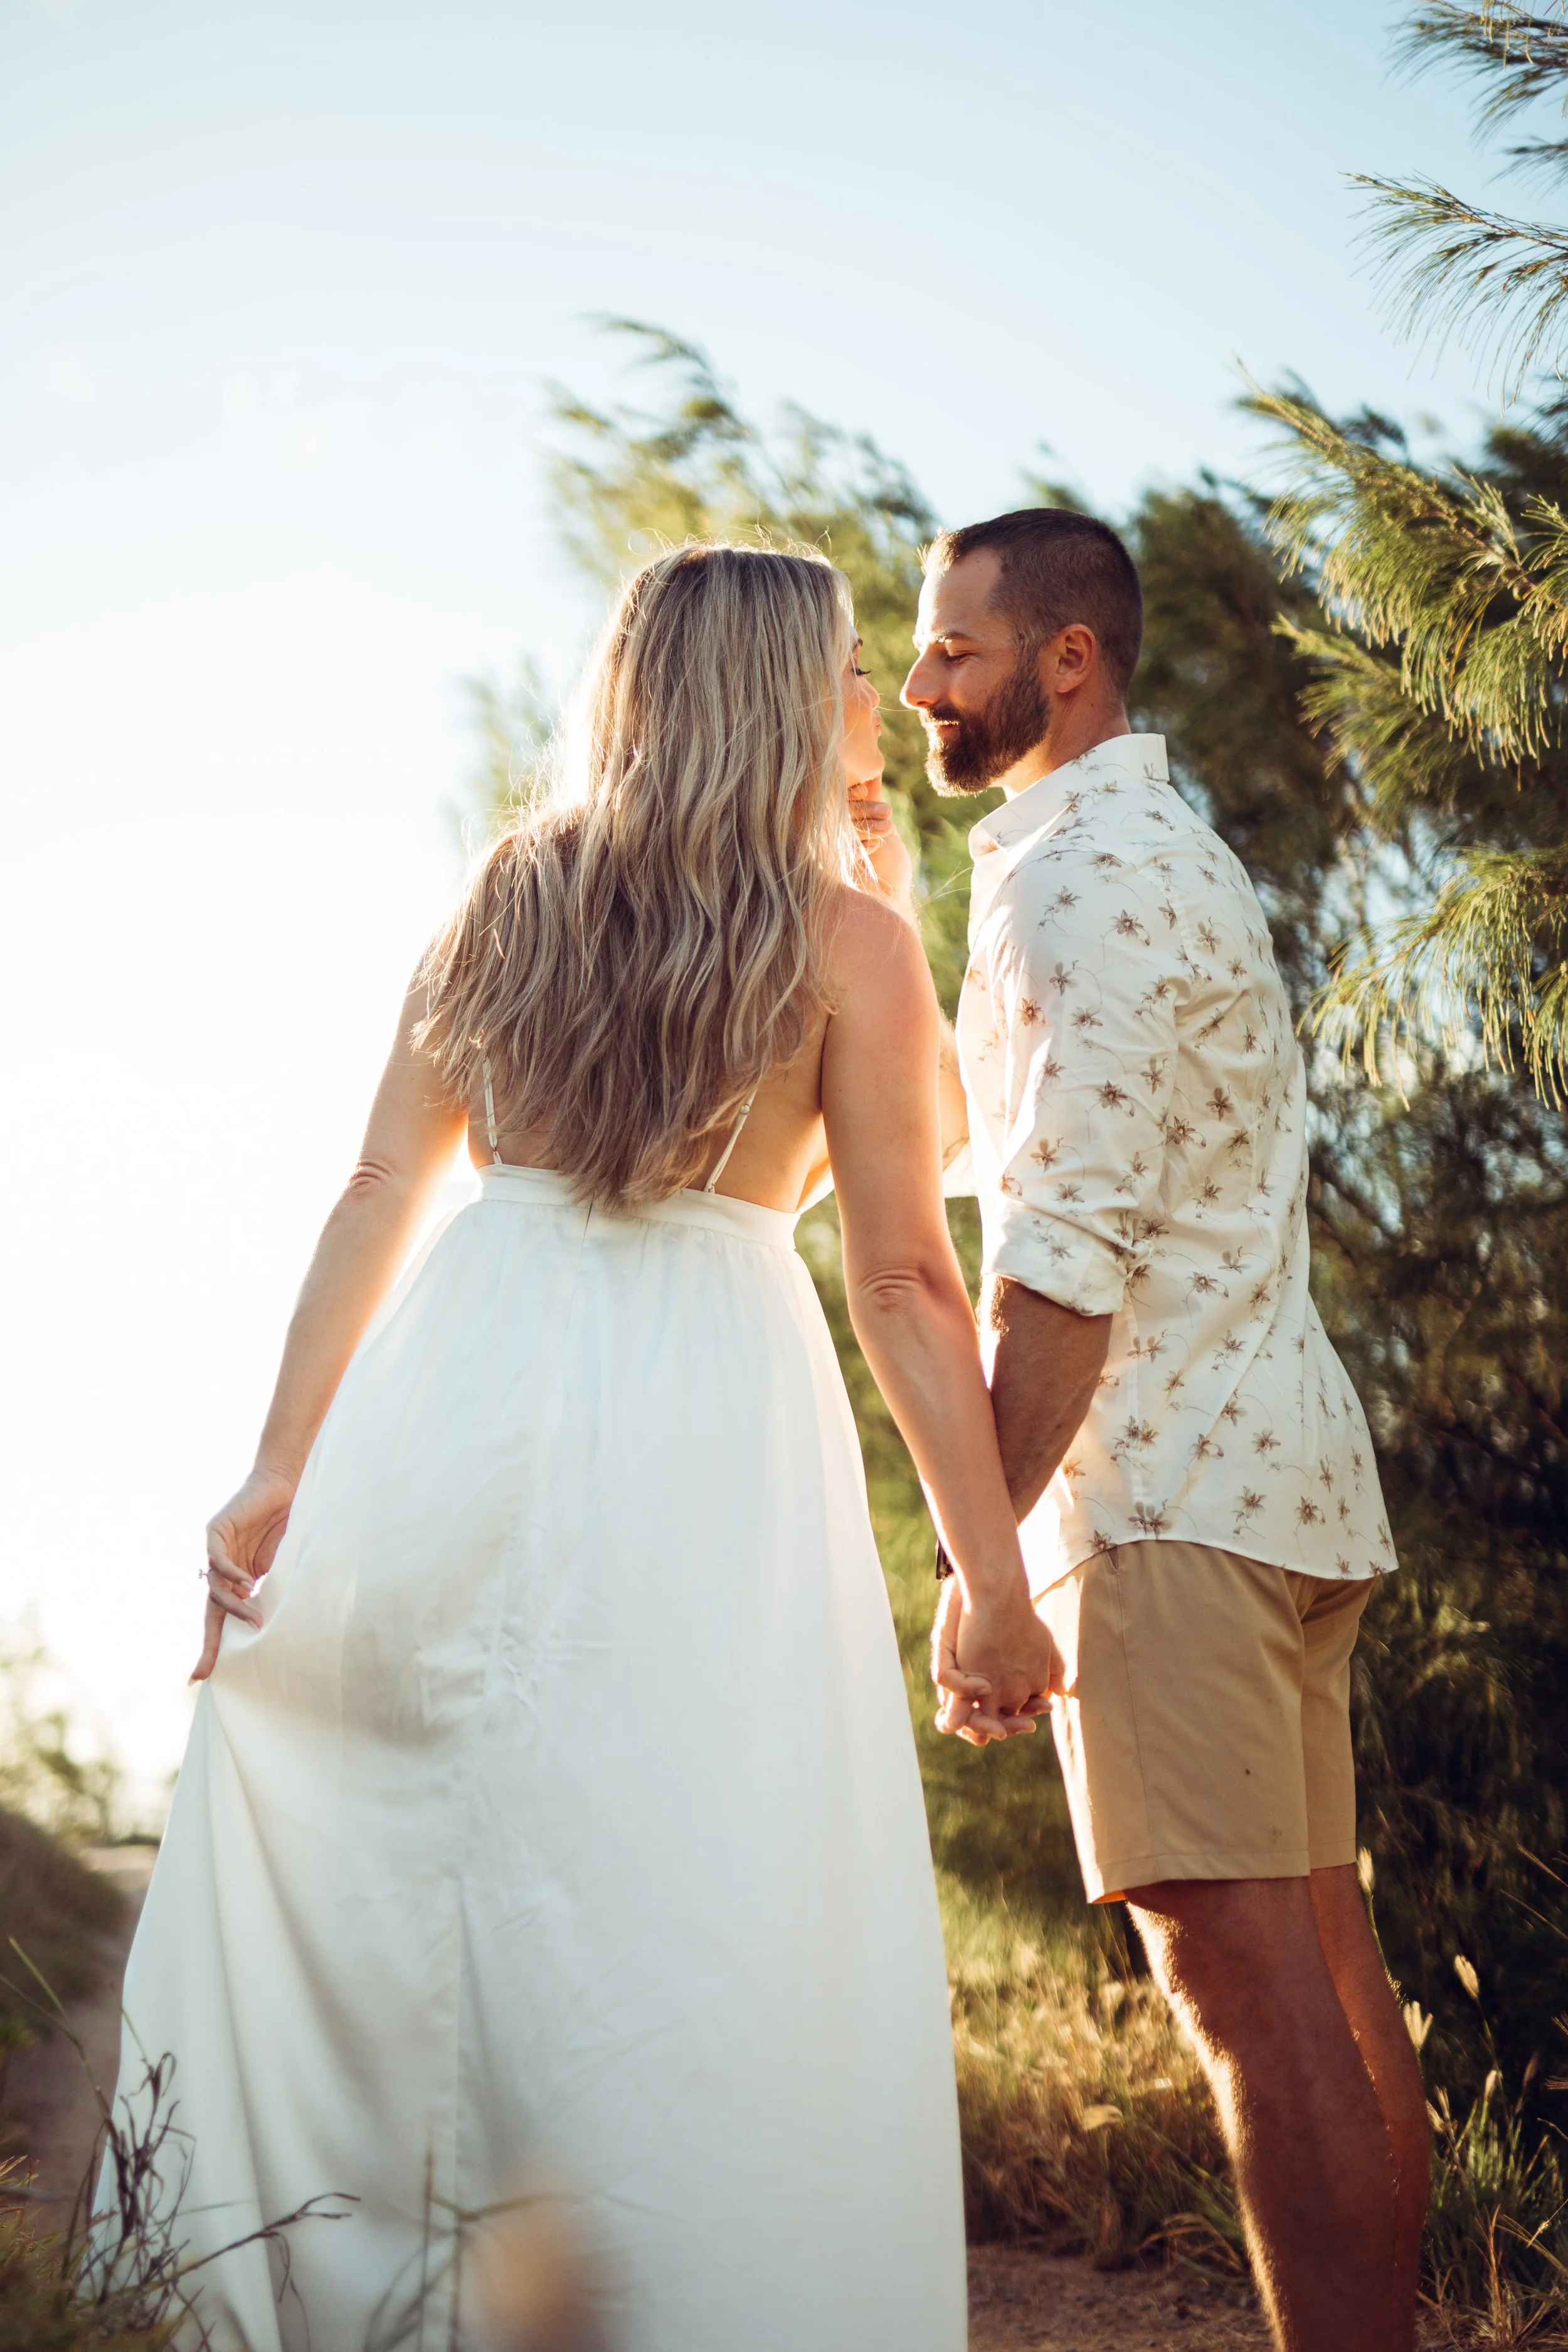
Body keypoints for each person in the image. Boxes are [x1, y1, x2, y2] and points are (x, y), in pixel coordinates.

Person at [98, 543, 1057, 2352]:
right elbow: (910, 1276)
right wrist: (989, 1578)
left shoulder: (504, 893)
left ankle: (386, 2283)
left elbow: (382, 1183)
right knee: (682, 1877)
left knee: (447, 1833)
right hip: (705, 1407)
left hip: (466, 1374)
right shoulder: (840, 939)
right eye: (847, 668)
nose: (870, 699)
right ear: (778, 694)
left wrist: (278, 1462)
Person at [906, 509, 1430, 2352]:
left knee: (1253, 2019)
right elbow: (982, 1145)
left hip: (1173, 1501)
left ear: (1064, 659)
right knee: (1325, 1982)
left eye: (951, 650)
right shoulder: (1143, 849)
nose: (919, 683)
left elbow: (1064, 1260)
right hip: (1273, 1480)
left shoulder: (1089, 876)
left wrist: (986, 1563)